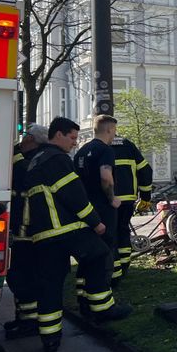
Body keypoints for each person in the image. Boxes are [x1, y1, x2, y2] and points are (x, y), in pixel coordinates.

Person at [25, 117, 130, 352]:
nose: (74, 143)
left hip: (42, 234)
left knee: (50, 283)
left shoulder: (35, 161)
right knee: (100, 253)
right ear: (58, 134)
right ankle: (102, 308)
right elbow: (74, 195)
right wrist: (96, 223)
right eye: (72, 138)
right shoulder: (57, 159)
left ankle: (50, 337)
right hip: (65, 228)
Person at [3, 123, 49, 340]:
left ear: (31, 139)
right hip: (21, 230)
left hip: (26, 232)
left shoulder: (28, 161)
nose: (21, 139)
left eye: (24, 136)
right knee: (18, 276)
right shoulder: (29, 157)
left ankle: (29, 321)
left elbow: (18, 169)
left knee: (23, 277)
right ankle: (23, 317)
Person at [75, 115, 122, 285]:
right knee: (106, 247)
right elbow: (105, 176)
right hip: (103, 207)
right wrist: (112, 198)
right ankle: (103, 284)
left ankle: (83, 287)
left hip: (86, 208)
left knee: (89, 249)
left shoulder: (81, 151)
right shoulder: (105, 150)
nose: (114, 135)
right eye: (114, 131)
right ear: (109, 129)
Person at [111, 135, 153, 281]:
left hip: (106, 200)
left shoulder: (96, 147)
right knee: (123, 230)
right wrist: (146, 196)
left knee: (111, 233)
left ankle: (114, 270)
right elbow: (145, 170)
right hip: (128, 198)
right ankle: (124, 265)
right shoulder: (128, 145)